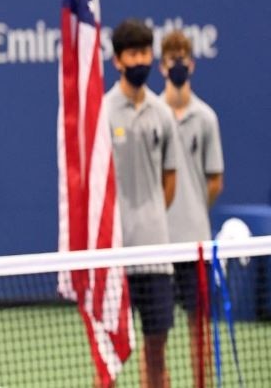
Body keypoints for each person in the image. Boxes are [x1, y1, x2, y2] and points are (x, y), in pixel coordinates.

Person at [104, 19, 180, 388]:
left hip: (156, 254)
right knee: (109, 360)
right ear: (118, 60)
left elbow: (170, 182)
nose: (141, 60)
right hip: (111, 256)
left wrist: (148, 216)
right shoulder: (101, 112)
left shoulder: (163, 114)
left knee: (156, 352)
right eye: (133, 53)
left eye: (146, 52)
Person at [159, 30, 224, 388]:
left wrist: (194, 211)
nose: (179, 63)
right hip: (159, 245)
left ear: (192, 64)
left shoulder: (207, 118)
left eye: (184, 56)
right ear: (162, 65)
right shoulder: (151, 114)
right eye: (172, 57)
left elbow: (214, 181)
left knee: (200, 331)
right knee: (158, 336)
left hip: (197, 243)